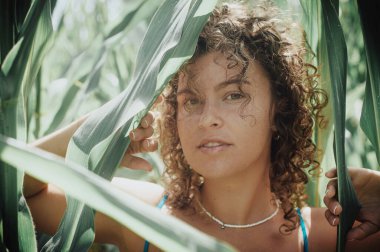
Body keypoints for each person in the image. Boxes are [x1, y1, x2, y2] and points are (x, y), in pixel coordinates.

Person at [24, 2, 380, 251]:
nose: (207, 116)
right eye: (191, 100)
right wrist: (91, 131)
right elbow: (17, 195)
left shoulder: (329, 236)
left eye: (234, 95)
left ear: (279, 110)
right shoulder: (143, 217)